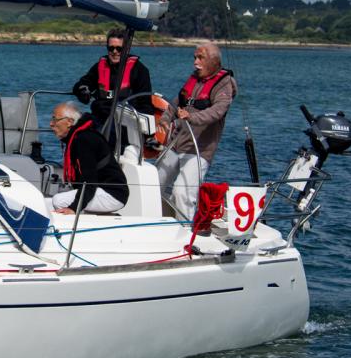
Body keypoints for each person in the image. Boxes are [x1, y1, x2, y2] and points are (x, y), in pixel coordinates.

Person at [156, 41, 236, 221]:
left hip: (199, 149)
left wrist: (192, 117)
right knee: (154, 183)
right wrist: (166, 119)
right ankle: (154, 220)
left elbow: (218, 111)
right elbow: (177, 102)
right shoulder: (194, 79)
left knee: (182, 193)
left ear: (214, 62)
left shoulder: (224, 84)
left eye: (201, 58)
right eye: (195, 58)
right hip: (176, 143)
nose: (195, 62)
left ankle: (184, 228)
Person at [49, 101, 129, 215]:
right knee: (56, 200)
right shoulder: (79, 137)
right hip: (101, 189)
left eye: (55, 119)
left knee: (59, 201)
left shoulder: (84, 140)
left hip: (112, 194)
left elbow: (89, 180)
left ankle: (80, 223)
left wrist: (74, 208)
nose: (51, 124)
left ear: (69, 122)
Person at [71, 27, 152, 132]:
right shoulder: (99, 67)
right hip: (100, 117)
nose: (114, 52)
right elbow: (83, 83)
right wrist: (83, 90)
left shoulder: (140, 71)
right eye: (111, 48)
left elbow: (145, 104)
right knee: (76, 128)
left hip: (124, 122)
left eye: (119, 49)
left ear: (127, 49)